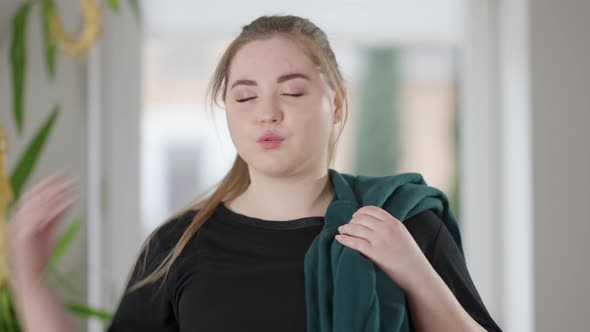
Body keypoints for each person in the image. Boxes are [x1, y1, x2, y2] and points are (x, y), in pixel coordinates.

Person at [7, 15, 502, 332]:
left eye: (291, 92)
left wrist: (415, 273)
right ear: (228, 109)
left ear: (337, 102)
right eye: (245, 96)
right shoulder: (178, 244)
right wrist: (29, 278)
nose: (267, 112)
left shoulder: (402, 224)